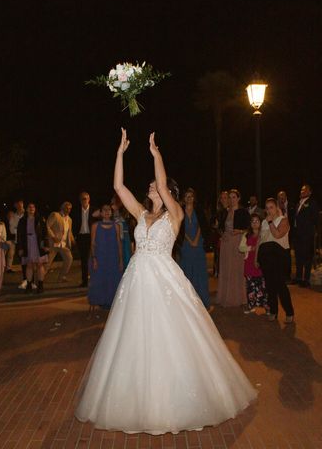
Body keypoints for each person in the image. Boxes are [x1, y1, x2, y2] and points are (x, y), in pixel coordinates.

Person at [75, 129, 256, 434]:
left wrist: (155, 153)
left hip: (163, 279)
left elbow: (161, 181)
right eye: (150, 186)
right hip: (136, 280)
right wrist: (119, 152)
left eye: (156, 186)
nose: (151, 188)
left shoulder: (174, 216)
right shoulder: (140, 212)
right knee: (134, 337)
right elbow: (118, 187)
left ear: (167, 192)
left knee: (169, 336)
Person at [257, 198, 294, 323]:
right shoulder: (263, 222)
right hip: (265, 257)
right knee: (270, 286)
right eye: (266, 208)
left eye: (271, 207)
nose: (268, 210)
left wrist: (271, 222)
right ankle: (273, 311)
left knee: (280, 285)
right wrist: (257, 257)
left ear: (277, 207)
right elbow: (260, 241)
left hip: (279, 256)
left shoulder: (283, 220)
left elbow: (278, 235)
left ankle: (289, 312)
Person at [216, 189, 250, 307]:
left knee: (236, 269)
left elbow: (249, 229)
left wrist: (239, 231)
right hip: (226, 244)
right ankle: (225, 296)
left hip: (237, 242)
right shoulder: (226, 211)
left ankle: (237, 297)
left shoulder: (243, 211)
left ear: (238, 198)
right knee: (226, 269)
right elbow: (220, 228)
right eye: (229, 197)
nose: (231, 199)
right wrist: (222, 235)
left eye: (234, 197)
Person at [87, 204, 123, 316]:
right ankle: (101, 301)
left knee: (113, 278)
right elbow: (92, 243)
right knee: (99, 278)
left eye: (109, 210)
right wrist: (94, 258)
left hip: (112, 256)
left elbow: (119, 243)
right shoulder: (95, 226)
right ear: (101, 213)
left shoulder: (116, 226)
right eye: (104, 210)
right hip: (100, 256)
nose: (107, 212)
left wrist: (121, 259)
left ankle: (111, 302)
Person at [179, 188, 210, 309]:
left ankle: (202, 301)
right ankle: (188, 302)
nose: (189, 198)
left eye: (191, 196)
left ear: (194, 198)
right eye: (187, 196)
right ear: (183, 198)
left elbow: (201, 226)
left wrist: (196, 240)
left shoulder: (199, 210)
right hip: (185, 245)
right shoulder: (180, 211)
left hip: (198, 244)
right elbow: (180, 229)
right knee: (187, 271)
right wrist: (189, 240)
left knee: (199, 271)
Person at [17, 202, 49, 293]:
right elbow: (19, 235)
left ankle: (40, 285)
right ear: (26, 209)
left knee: (39, 264)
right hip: (27, 243)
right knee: (29, 265)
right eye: (30, 207)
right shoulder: (22, 220)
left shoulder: (40, 219)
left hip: (38, 244)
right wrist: (20, 248)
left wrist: (46, 245)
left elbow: (45, 233)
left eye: (33, 207)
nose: (31, 208)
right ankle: (29, 285)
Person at [292, 184, 319, 287]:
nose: (302, 191)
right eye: (301, 190)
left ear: (310, 192)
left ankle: (306, 279)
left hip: (307, 234)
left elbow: (315, 218)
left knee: (307, 257)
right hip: (297, 234)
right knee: (298, 256)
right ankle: (298, 277)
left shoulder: (312, 203)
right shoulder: (298, 203)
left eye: (305, 190)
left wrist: (311, 230)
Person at [240, 213, 267, 315]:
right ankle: (251, 306)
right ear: (250, 223)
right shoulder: (246, 234)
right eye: (253, 221)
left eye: (257, 221)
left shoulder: (264, 234)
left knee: (262, 286)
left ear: (260, 223)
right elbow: (241, 247)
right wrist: (250, 248)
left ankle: (265, 307)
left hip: (260, 264)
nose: (255, 223)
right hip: (249, 264)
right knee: (250, 287)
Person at [46, 202, 74, 282]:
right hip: (54, 243)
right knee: (47, 263)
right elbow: (47, 226)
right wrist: (53, 236)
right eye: (66, 208)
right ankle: (37, 280)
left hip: (63, 244)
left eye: (70, 209)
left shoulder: (69, 219)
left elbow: (69, 232)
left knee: (69, 259)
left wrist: (73, 240)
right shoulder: (55, 215)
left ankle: (61, 277)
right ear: (62, 207)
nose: (68, 210)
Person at [72, 192, 95, 287]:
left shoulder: (94, 210)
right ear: (80, 201)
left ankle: (95, 280)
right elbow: (73, 225)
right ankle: (85, 281)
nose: (84, 200)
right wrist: (74, 237)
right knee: (84, 260)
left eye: (85, 198)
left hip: (91, 236)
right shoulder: (76, 211)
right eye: (82, 199)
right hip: (81, 237)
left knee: (94, 258)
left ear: (89, 199)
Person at [112, 193, 133, 270]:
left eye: (113, 199)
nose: (112, 200)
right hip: (115, 236)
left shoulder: (125, 210)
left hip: (124, 236)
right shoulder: (111, 210)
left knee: (126, 255)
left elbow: (129, 223)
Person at [211, 190, 230, 277]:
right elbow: (214, 225)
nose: (223, 200)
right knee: (219, 256)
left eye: (225, 198)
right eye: (221, 198)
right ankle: (218, 272)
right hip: (219, 238)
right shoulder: (218, 212)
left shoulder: (233, 211)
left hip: (230, 238)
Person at [7, 199, 24, 274]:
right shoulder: (13, 215)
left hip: (24, 237)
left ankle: (25, 267)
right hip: (14, 237)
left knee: (23, 253)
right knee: (11, 253)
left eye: (21, 203)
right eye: (18, 204)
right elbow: (11, 228)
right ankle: (8, 268)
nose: (19, 205)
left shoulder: (26, 214)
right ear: (15, 205)